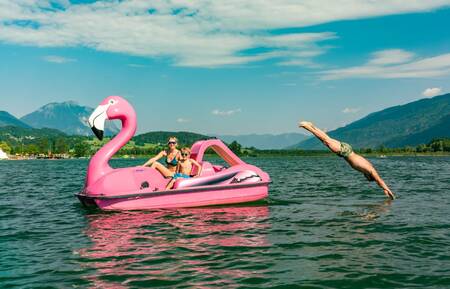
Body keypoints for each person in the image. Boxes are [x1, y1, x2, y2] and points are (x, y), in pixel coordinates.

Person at [299, 121, 395, 199]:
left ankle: (312, 125)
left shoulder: (367, 168)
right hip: (345, 152)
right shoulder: (371, 170)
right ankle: (307, 127)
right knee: (326, 140)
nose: (365, 178)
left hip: (347, 150)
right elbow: (379, 180)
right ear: (369, 177)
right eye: (367, 178)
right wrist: (386, 190)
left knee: (326, 139)